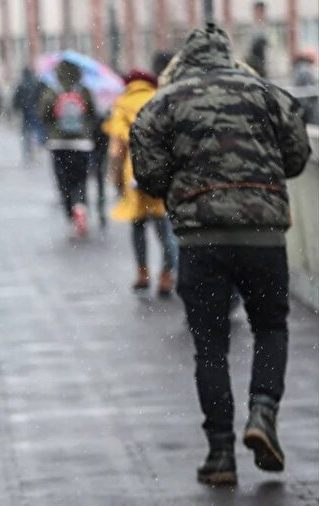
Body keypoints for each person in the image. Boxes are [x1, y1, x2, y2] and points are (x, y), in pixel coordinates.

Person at [130, 26, 311, 486]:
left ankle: (221, 455)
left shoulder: (164, 102)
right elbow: (296, 157)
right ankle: (263, 413)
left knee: (210, 347)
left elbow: (149, 176)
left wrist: (187, 175)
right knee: (270, 326)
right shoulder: (269, 94)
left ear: (185, 61)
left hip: (201, 241)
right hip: (264, 235)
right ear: (229, 57)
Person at [101, 69, 176, 296]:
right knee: (165, 228)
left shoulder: (122, 104)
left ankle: (142, 273)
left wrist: (115, 179)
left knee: (138, 225)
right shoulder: (161, 101)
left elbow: (116, 149)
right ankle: (166, 275)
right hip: (160, 171)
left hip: (133, 174)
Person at [37, 60, 98, 238]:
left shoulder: (53, 90)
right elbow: (93, 113)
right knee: (80, 179)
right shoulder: (84, 89)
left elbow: (43, 114)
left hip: (59, 144)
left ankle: (71, 217)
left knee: (63, 181)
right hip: (82, 144)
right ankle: (80, 206)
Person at [13, 67, 41, 159]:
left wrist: (17, 108)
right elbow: (39, 97)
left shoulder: (21, 84)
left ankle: (26, 151)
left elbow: (16, 99)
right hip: (33, 110)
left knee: (25, 132)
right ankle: (32, 149)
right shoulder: (35, 83)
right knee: (33, 130)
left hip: (24, 111)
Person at [292, 50, 319, 125]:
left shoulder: (299, 69)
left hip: (304, 103)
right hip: (308, 104)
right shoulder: (305, 70)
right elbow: (310, 89)